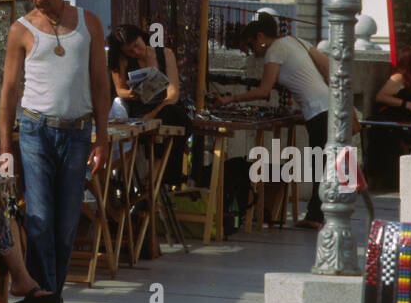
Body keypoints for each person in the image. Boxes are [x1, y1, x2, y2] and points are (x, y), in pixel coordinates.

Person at [0, 0, 109, 303]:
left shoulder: (90, 23)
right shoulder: (21, 30)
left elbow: (100, 84)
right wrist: (4, 147)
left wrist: (103, 138)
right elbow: (9, 92)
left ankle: (50, 300)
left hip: (78, 133)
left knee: (66, 225)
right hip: (35, 131)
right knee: (40, 220)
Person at [212, 12, 329, 229]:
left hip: (318, 111)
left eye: (251, 45)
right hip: (326, 105)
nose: (253, 52)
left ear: (260, 36)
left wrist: (231, 99)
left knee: (320, 164)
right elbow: (328, 66)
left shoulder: (274, 51)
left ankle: (315, 216)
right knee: (324, 162)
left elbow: (264, 90)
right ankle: (319, 214)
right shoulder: (295, 41)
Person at [107, 23, 188, 186]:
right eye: (130, 51)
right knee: (177, 120)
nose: (136, 52)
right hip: (139, 107)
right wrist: (133, 93)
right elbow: (120, 90)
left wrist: (152, 114)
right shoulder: (123, 59)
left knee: (176, 116)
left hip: (163, 108)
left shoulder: (165, 54)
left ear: (141, 37)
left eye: (136, 46)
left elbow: (172, 94)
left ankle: (155, 173)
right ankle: (161, 176)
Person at [367, 45, 411, 187]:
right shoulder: (398, 78)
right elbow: (381, 96)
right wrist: (406, 104)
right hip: (392, 123)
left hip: (408, 121)